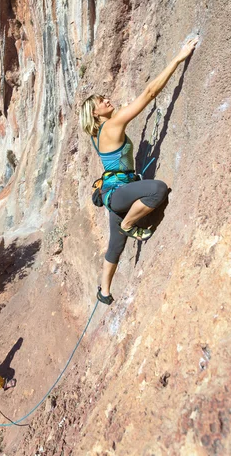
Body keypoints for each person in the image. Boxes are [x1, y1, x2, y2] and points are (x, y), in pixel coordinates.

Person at [80, 37, 198, 305]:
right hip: (119, 194)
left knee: (115, 247)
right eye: (101, 101)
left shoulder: (97, 134)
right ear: (96, 114)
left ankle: (104, 291)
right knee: (157, 189)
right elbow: (148, 94)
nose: (107, 100)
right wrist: (179, 58)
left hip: (114, 195)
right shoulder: (111, 126)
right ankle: (128, 223)